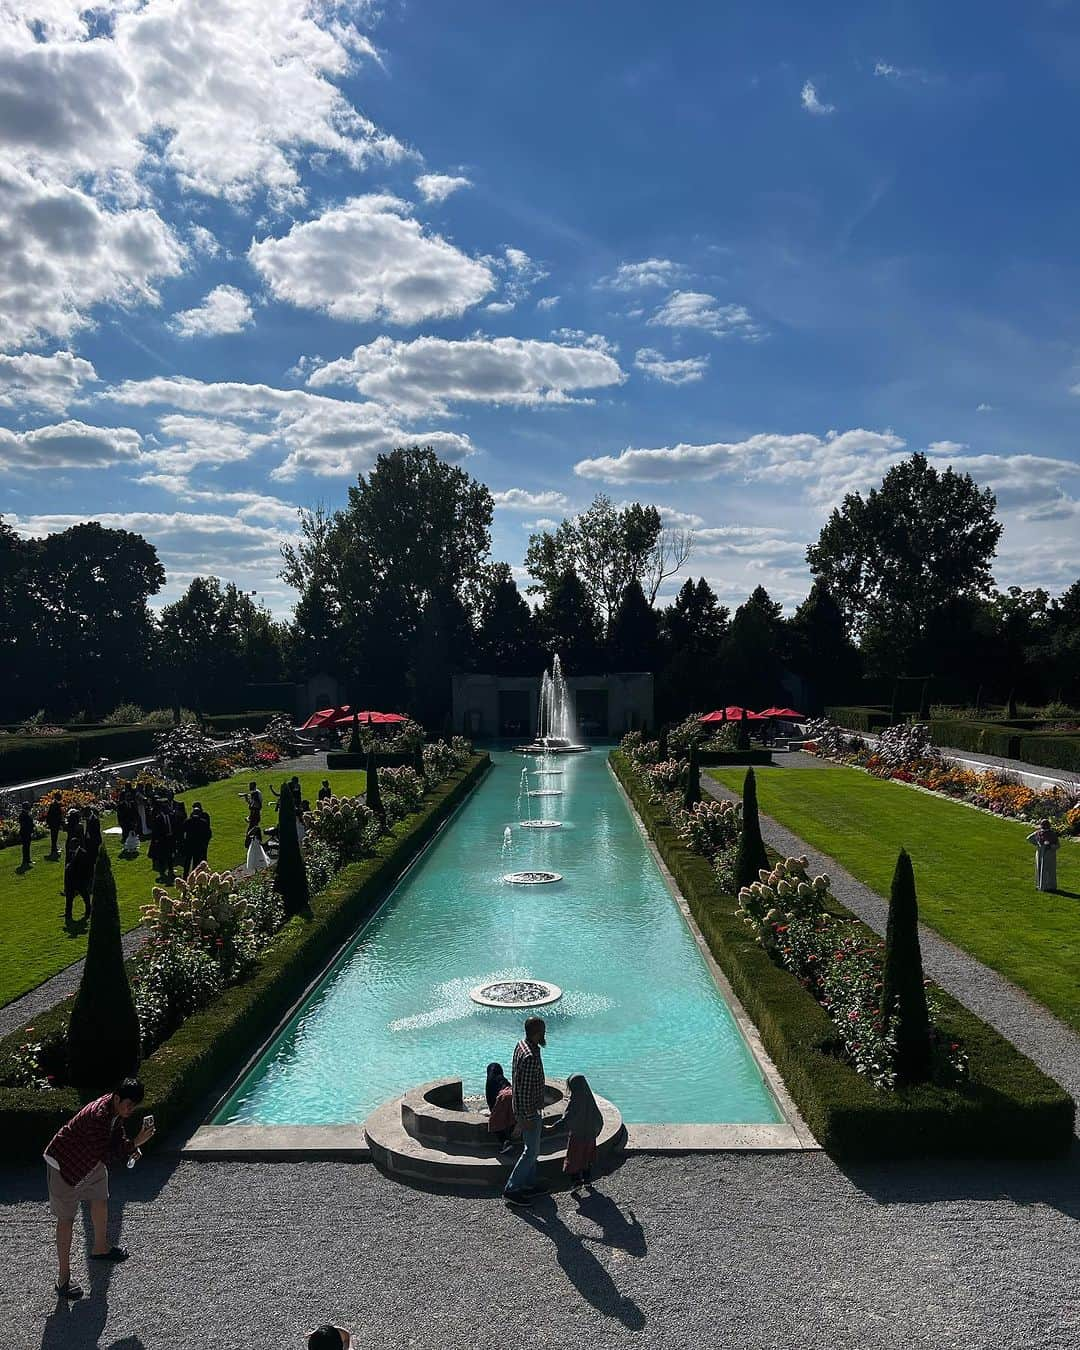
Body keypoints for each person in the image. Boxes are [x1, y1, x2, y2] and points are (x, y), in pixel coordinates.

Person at [43, 1076, 156, 1301]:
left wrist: (130, 1148)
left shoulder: (113, 1110)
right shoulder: (98, 1116)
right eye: (128, 1105)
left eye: (133, 1106)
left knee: (100, 1198)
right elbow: (107, 1155)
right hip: (64, 1165)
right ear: (116, 1098)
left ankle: (101, 1248)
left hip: (89, 1163)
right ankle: (63, 1279)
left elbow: (115, 1139)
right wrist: (134, 1144)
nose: (130, 1110)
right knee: (66, 1219)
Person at [503, 1016, 548, 1206]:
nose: (545, 1034)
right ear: (538, 1033)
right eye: (544, 1031)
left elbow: (519, 1084)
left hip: (523, 1108)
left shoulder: (521, 1045)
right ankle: (512, 1189)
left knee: (533, 1150)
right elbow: (526, 1090)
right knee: (530, 1151)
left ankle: (529, 1184)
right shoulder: (530, 1057)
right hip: (529, 1112)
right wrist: (526, 1118)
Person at [544, 1073, 604, 1190]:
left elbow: (567, 1118)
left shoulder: (575, 1100)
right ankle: (587, 1180)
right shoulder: (589, 1098)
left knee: (573, 1158)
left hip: (577, 1135)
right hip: (590, 1135)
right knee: (587, 1157)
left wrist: (553, 1127)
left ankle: (576, 1182)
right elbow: (599, 1119)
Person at [486, 1061, 515, 1151]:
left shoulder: (490, 1080)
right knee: (511, 1117)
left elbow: (490, 1102)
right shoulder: (503, 1079)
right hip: (512, 1094)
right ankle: (511, 1135)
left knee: (494, 1122)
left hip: (504, 1097)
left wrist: (493, 1113)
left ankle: (505, 1142)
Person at [1026, 818, 1060, 892]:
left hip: (1040, 853)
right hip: (1050, 854)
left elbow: (1029, 838)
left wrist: (1037, 844)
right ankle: (1050, 886)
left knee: (1041, 869)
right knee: (1050, 870)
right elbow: (1057, 845)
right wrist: (1051, 846)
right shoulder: (1052, 834)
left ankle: (1041, 885)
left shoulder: (1038, 833)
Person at [185, 804, 212, 868]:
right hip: (198, 844)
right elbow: (208, 833)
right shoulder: (203, 822)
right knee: (195, 861)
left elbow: (183, 831)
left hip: (192, 843)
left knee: (190, 860)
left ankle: (187, 874)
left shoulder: (189, 821)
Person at [45, 793, 64, 857]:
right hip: (54, 823)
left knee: (54, 837)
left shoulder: (54, 804)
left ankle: (54, 849)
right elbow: (56, 815)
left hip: (54, 823)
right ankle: (53, 850)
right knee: (54, 837)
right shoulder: (55, 805)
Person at [18, 803, 34, 870]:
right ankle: (25, 860)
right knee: (25, 847)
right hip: (25, 833)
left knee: (27, 846)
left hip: (27, 832)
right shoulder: (23, 815)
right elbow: (25, 824)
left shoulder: (25, 814)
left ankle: (27, 859)